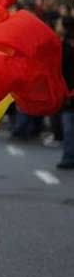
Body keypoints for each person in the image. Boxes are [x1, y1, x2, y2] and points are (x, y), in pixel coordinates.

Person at [57, 15, 74, 169]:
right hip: (68, 91)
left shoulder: (64, 48)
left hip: (69, 92)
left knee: (68, 128)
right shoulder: (63, 46)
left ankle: (69, 157)